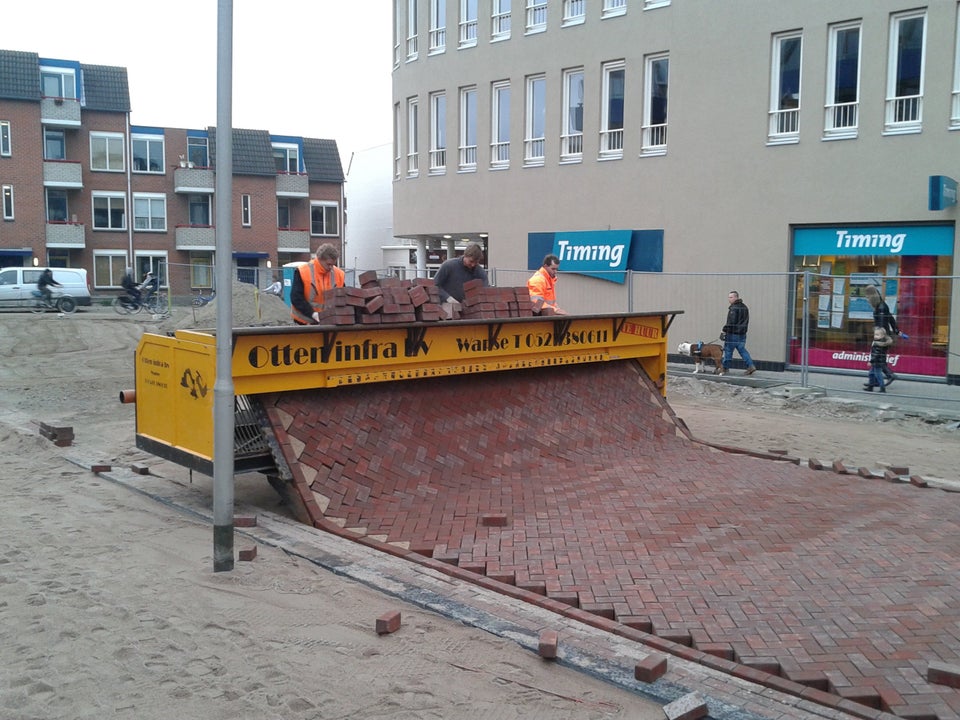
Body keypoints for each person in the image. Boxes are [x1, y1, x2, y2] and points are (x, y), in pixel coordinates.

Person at [291, 244, 346, 325]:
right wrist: (312, 314)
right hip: (304, 323)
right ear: (319, 259)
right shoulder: (303, 271)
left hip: (328, 322)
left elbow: (343, 297)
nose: (331, 267)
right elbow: (296, 298)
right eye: (328, 264)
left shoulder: (339, 274)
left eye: (333, 264)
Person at [863, 285, 906, 386]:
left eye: (868, 297)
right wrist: (896, 331)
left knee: (878, 359)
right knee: (879, 359)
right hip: (882, 335)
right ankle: (875, 380)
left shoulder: (881, 307)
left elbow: (882, 324)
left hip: (882, 336)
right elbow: (891, 318)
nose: (867, 299)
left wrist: (879, 337)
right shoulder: (881, 305)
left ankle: (888, 376)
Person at [433, 243, 489, 318]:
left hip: (469, 313)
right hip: (447, 312)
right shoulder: (448, 266)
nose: (473, 265)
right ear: (465, 255)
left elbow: (485, 291)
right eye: (471, 261)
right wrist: (448, 298)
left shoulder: (480, 272)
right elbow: (435, 285)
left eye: (476, 262)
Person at [721, 290, 756, 376]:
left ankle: (725, 368)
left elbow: (731, 322)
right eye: (729, 297)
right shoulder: (745, 307)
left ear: (736, 297)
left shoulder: (733, 308)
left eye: (731, 297)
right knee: (742, 350)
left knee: (728, 351)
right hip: (742, 334)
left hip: (732, 333)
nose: (729, 299)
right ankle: (750, 366)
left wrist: (724, 330)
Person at [864, 326, 894, 393]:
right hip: (878, 361)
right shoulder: (879, 342)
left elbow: (876, 354)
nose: (875, 336)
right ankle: (870, 386)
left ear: (882, 336)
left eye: (877, 335)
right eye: (875, 334)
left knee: (878, 375)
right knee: (871, 373)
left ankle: (882, 387)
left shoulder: (878, 344)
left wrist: (871, 361)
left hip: (877, 362)